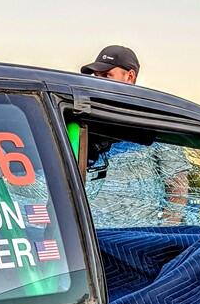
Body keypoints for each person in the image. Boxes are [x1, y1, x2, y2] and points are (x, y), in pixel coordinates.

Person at [80, 45, 191, 225]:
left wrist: (165, 234)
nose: (98, 83)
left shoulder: (152, 122)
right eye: (97, 77)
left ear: (130, 77)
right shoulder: (85, 122)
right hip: (88, 237)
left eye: (107, 76)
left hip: (136, 240)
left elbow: (177, 188)